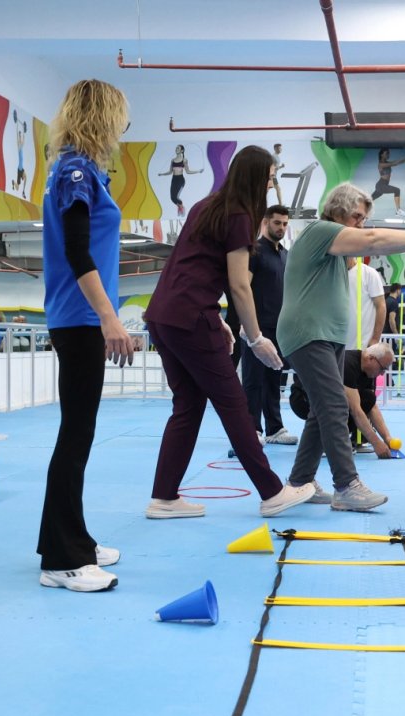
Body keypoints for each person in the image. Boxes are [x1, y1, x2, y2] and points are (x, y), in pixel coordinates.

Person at [144, 145, 315, 522]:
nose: (272, 183)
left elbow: (191, 266)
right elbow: (240, 285)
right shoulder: (240, 213)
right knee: (234, 403)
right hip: (189, 318)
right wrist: (255, 339)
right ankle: (272, 492)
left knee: (188, 405)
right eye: (270, 176)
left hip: (164, 315)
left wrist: (217, 319)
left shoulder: (207, 205)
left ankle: (164, 496)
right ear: (256, 177)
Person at [276, 182, 405, 511]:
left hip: (327, 335)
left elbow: (362, 247)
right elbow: (373, 240)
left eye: (363, 218)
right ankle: (347, 486)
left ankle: (300, 482)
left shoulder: (337, 250)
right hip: (308, 333)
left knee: (321, 411)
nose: (361, 225)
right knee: (335, 407)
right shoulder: (320, 230)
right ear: (337, 210)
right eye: (356, 217)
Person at [35, 80, 134, 593]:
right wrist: (109, 317)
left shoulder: (86, 170)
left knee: (80, 433)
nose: (123, 129)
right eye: (119, 117)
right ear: (101, 116)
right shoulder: (75, 170)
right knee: (75, 435)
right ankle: (61, 558)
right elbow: (77, 253)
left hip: (81, 317)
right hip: (79, 319)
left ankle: (70, 538)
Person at [242, 204, 297, 445]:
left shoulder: (285, 255)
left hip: (279, 327)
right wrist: (247, 326)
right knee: (253, 380)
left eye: (285, 224)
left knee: (274, 378)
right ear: (266, 222)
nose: (282, 228)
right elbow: (242, 288)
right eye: (277, 223)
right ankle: (252, 429)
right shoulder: (253, 252)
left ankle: (274, 428)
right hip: (255, 328)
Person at [289, 344, 399, 458]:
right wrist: (376, 443)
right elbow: (355, 411)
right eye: (382, 368)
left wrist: (387, 439)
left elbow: (372, 407)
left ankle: (334, 437)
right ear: (371, 358)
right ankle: (327, 441)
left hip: (323, 399)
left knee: (368, 398)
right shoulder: (347, 364)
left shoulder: (369, 371)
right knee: (341, 403)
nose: (382, 374)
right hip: (302, 399)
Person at [346, 256, 386, 350]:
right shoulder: (333, 275)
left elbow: (381, 306)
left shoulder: (369, 273)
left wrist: (375, 339)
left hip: (363, 348)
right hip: (337, 348)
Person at [160, 145, 203, 216]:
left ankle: (181, 210)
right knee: (172, 198)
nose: (176, 149)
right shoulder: (172, 160)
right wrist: (162, 174)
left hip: (180, 180)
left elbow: (188, 171)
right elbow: (170, 172)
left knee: (176, 197)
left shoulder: (184, 160)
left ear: (182, 151)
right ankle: (181, 207)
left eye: (178, 148)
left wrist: (198, 171)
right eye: (176, 148)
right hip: (174, 179)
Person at [371, 149, 405, 217]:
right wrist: (404, 159)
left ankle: (361, 210)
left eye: (388, 153)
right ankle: (398, 210)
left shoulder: (387, 163)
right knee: (397, 190)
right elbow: (394, 163)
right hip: (381, 185)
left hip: (382, 185)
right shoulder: (381, 164)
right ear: (381, 155)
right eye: (386, 153)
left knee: (370, 199)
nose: (388, 155)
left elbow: (395, 163)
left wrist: (404, 160)